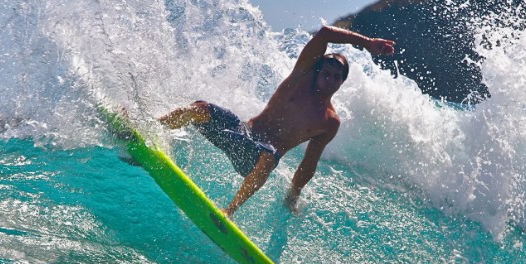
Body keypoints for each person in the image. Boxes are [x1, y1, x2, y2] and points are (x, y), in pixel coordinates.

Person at [159, 25, 395, 218]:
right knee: (202, 109)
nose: (330, 78)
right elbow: (324, 33)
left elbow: (308, 163)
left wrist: (293, 195)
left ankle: (228, 212)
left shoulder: (329, 122)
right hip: (241, 132)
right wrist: (367, 42)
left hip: (256, 159)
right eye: (326, 72)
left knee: (269, 155)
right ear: (317, 70)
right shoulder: (299, 78)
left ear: (342, 82)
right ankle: (151, 127)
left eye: (336, 76)